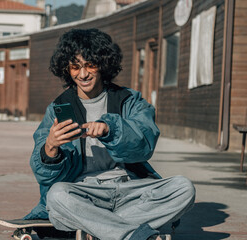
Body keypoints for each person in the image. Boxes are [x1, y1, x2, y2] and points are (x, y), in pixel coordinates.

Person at [24, 28, 195, 240]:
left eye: (90, 65)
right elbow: (43, 175)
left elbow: (144, 144)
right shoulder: (58, 107)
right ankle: (134, 235)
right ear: (66, 69)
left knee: (183, 188)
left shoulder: (129, 100)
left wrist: (110, 129)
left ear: (103, 65)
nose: (83, 74)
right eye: (75, 67)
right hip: (84, 194)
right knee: (57, 196)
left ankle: (98, 229)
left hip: (131, 190)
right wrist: (50, 147)